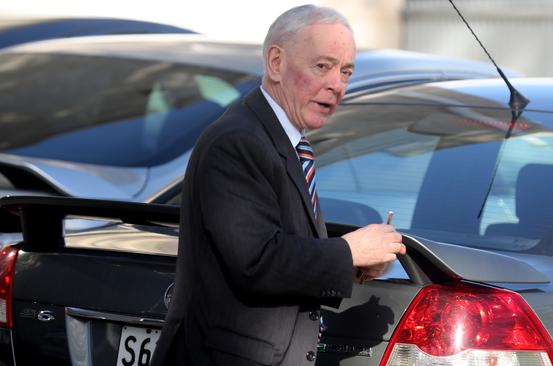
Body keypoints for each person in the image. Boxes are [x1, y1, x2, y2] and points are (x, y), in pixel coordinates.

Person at [151, 4, 405, 366]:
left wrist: (352, 266)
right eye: (323, 66)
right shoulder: (238, 140)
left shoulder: (284, 139)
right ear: (275, 62)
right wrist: (347, 251)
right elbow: (256, 262)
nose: (337, 84)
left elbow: (281, 251)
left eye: (346, 71)